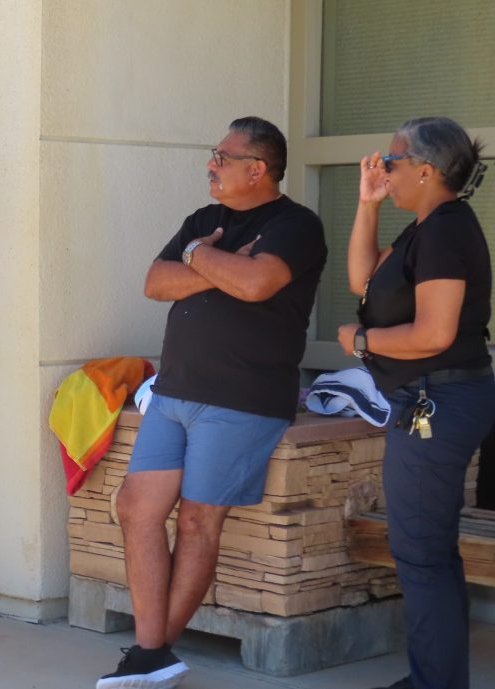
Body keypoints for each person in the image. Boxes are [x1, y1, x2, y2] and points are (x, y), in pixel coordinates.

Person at [98, 117, 327, 689]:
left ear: (258, 168)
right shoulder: (205, 223)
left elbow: (257, 285)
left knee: (200, 520)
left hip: (241, 398)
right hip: (176, 390)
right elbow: (155, 281)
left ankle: (150, 653)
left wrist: (199, 260)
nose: (211, 165)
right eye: (212, 154)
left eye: (222, 157)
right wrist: (213, 258)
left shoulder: (295, 225)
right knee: (136, 507)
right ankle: (153, 655)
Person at [338, 116, 494, 689]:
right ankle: (437, 677)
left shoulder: (447, 231)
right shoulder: (427, 227)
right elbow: (363, 280)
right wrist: (369, 203)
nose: (383, 166)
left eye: (393, 160)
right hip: (433, 397)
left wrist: (361, 342)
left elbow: (433, 334)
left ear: (426, 171)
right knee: (428, 550)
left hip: (440, 399)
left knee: (421, 552)